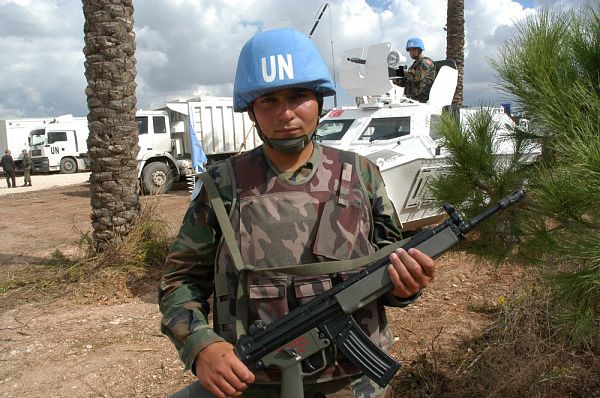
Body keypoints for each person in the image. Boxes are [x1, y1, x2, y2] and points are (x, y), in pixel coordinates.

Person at [159, 28, 437, 398]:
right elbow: (181, 281)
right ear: (251, 111)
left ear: (320, 101)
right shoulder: (223, 186)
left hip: (353, 382)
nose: (286, 113)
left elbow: (391, 267)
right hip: (253, 381)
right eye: (269, 100)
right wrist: (201, 346)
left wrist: (406, 285)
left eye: (299, 96)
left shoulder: (360, 175)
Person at [401, 37, 436, 103]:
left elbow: (417, 76)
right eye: (410, 50)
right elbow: (404, 82)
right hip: (412, 100)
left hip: (423, 100)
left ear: (420, 50)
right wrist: (394, 75)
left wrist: (400, 71)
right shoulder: (413, 66)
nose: (411, 52)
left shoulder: (426, 62)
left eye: (413, 49)